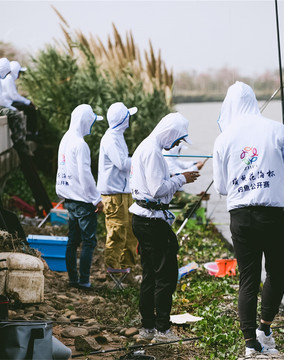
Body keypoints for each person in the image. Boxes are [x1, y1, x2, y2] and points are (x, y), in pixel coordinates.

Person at [212, 81, 284, 356]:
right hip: (272, 216)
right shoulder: (277, 129)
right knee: (276, 272)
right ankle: (265, 329)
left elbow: (221, 188)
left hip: (240, 218)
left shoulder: (224, 138)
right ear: (254, 101)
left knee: (248, 279)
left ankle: (250, 345)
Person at [129, 112, 200, 342]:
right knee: (166, 275)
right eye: (178, 140)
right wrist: (182, 179)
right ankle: (162, 330)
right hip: (151, 221)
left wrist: (177, 176)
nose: (177, 144)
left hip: (142, 218)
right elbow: (158, 189)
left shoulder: (146, 147)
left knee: (150, 274)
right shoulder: (152, 151)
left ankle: (148, 326)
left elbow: (154, 185)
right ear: (170, 133)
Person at [56, 104, 105, 289]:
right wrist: (96, 199)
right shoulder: (81, 144)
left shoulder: (66, 139)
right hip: (83, 201)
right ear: (85, 122)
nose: (92, 126)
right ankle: (84, 280)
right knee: (89, 241)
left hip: (68, 199)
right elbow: (85, 175)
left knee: (72, 241)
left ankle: (73, 279)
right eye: (91, 122)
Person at [97, 102, 139, 272]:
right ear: (123, 119)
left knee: (130, 230)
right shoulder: (111, 139)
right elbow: (122, 163)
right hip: (114, 194)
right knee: (116, 231)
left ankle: (126, 267)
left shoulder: (117, 136)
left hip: (123, 192)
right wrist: (140, 159)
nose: (130, 118)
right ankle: (112, 269)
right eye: (128, 116)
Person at [163, 143, 206, 219]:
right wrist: (196, 167)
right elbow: (180, 174)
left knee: (198, 198)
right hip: (172, 194)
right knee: (196, 200)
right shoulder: (167, 160)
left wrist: (195, 163)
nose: (179, 151)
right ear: (175, 149)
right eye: (179, 149)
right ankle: (179, 221)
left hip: (177, 192)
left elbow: (183, 164)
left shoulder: (171, 159)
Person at [1, 61, 39, 139]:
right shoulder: (9, 79)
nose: (20, 75)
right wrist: (28, 102)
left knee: (27, 107)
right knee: (30, 109)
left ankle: (31, 132)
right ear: (15, 71)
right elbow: (14, 96)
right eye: (19, 72)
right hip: (8, 103)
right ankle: (32, 133)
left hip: (9, 102)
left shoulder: (8, 78)